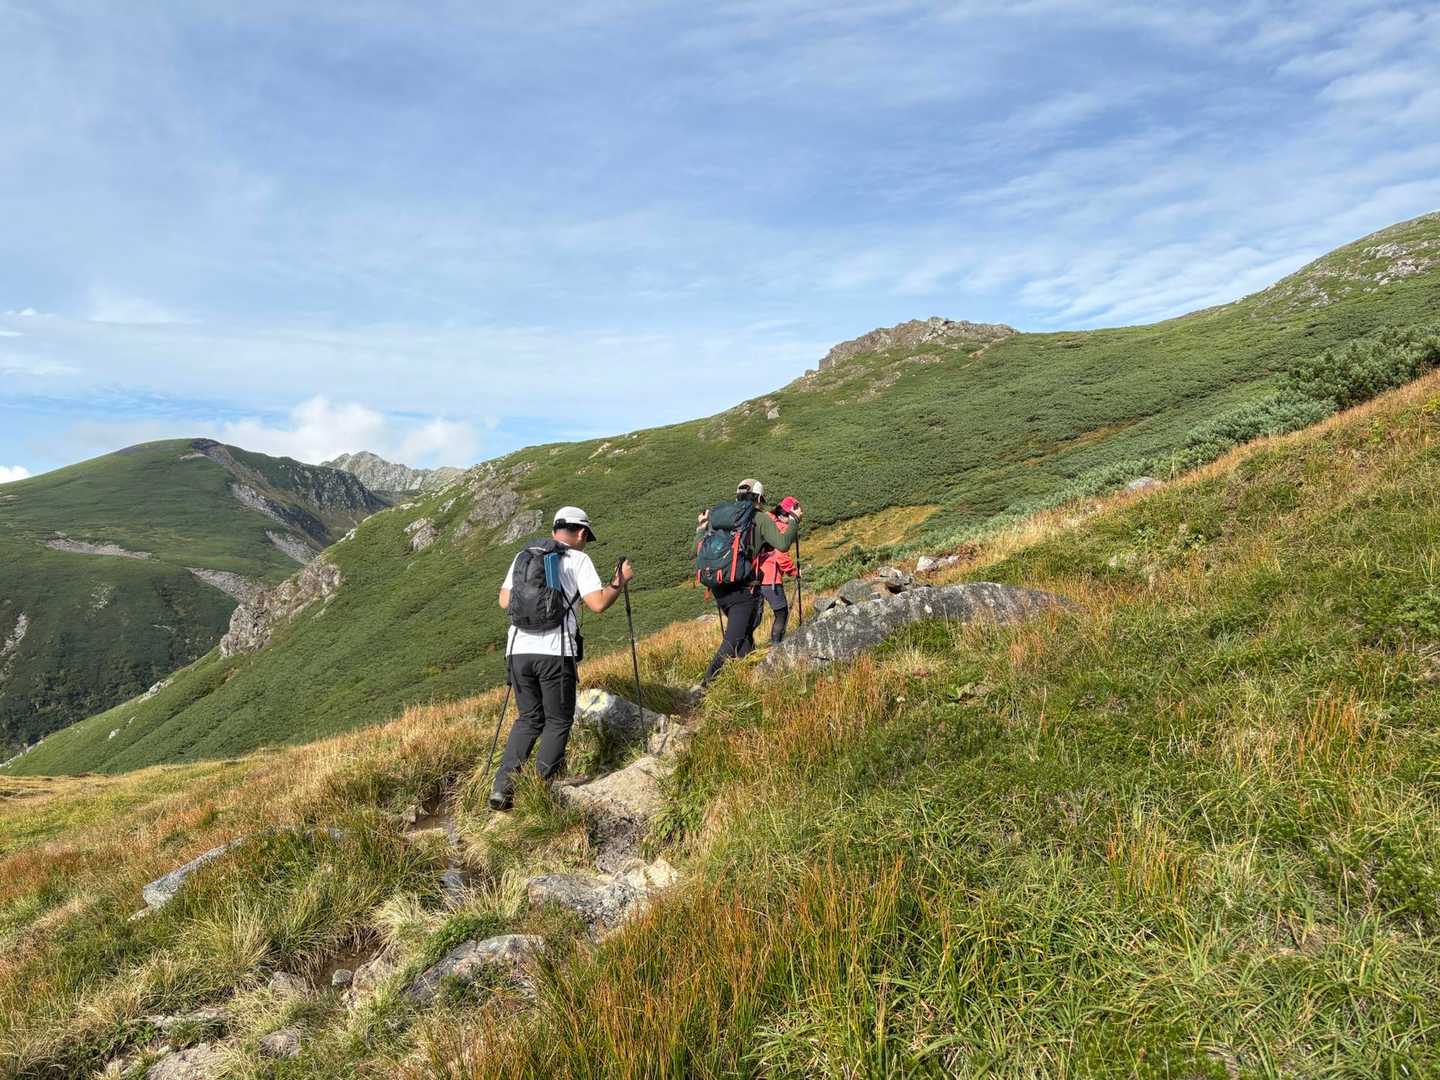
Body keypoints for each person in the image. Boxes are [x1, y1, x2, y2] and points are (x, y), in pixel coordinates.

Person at [490, 506, 635, 811]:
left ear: (555, 530)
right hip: (555, 652)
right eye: (587, 537)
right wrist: (619, 581)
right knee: (558, 721)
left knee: (528, 719)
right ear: (581, 532)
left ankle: (502, 789)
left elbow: (504, 600)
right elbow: (597, 604)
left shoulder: (523, 556)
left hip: (518, 651)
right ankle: (538, 792)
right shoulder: (578, 559)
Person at [698, 479, 801, 686]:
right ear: (759, 498)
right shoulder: (759, 517)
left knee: (745, 632)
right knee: (734, 639)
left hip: (719, 586)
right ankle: (706, 686)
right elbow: (782, 544)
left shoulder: (721, 517)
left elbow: (699, 546)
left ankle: (750, 676)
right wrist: (794, 520)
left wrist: (701, 527)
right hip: (741, 589)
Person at [755, 496, 802, 645]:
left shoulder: (766, 522)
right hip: (770, 579)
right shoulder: (781, 528)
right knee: (781, 613)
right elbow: (781, 557)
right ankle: (776, 647)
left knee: (755, 617)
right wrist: (794, 572)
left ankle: (744, 649)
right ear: (786, 514)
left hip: (755, 576)